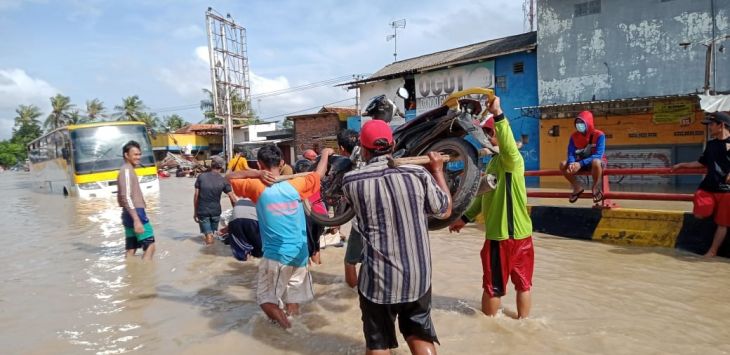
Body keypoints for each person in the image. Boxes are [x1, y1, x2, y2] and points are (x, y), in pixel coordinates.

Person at [342, 119, 452, 354]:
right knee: (418, 335)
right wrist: (438, 171)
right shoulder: (418, 173)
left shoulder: (351, 181)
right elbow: (444, 211)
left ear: (362, 149)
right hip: (417, 275)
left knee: (378, 343)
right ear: (392, 144)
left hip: (377, 279)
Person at [227, 144, 332, 328]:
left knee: (265, 300)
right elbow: (320, 174)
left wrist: (256, 174)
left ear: (259, 164)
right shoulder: (296, 184)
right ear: (282, 163)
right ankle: (296, 329)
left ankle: (288, 331)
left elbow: (228, 177)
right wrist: (324, 154)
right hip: (300, 254)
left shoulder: (256, 185)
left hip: (277, 256)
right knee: (292, 299)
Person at [448, 95, 535, 319]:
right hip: (523, 234)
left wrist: (498, 114)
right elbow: (481, 196)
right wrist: (464, 219)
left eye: (490, 133)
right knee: (523, 284)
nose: (487, 137)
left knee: (494, 287)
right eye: (485, 134)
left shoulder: (512, 159)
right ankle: (524, 327)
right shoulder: (495, 163)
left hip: (502, 237)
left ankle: (488, 326)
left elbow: (507, 144)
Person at [672, 111, 730, 258]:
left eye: (711, 124)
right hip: (708, 188)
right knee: (700, 213)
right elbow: (701, 162)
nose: (709, 128)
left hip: (727, 192)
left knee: (723, 223)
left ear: (721, 125)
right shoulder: (711, 145)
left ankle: (712, 251)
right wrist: (683, 164)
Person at [334, 128, 364, 288]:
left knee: (349, 263)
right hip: (386, 224)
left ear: (341, 149)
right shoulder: (368, 157)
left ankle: (352, 294)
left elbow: (343, 201)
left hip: (361, 225)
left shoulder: (349, 172)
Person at [117, 140, 156, 261]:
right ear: (126, 155)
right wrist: (136, 220)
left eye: (139, 154)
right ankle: (147, 276)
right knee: (150, 245)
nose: (138, 157)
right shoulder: (127, 171)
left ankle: (131, 275)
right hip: (136, 212)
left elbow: (120, 197)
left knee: (131, 247)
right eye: (135, 154)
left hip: (128, 212)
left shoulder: (126, 170)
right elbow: (126, 196)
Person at [559, 110, 607, 203]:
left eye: (581, 122)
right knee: (562, 164)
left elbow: (598, 154)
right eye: (577, 122)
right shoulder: (574, 136)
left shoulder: (599, 135)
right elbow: (571, 152)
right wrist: (572, 162)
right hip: (580, 162)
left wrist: (580, 164)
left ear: (588, 122)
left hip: (595, 163)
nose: (579, 125)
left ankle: (595, 187)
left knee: (596, 161)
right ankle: (577, 187)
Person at [194, 157, 238, 245]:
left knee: (208, 236)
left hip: (203, 211)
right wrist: (237, 211)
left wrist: (195, 212)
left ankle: (209, 254)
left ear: (211, 165)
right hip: (216, 212)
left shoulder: (201, 177)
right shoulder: (223, 180)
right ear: (221, 167)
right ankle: (213, 252)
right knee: (213, 234)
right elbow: (232, 197)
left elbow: (196, 195)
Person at [293, 158, 326, 264]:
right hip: (322, 216)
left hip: (308, 217)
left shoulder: (297, 183)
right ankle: (319, 268)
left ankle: (309, 276)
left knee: (306, 248)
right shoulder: (316, 180)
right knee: (316, 246)